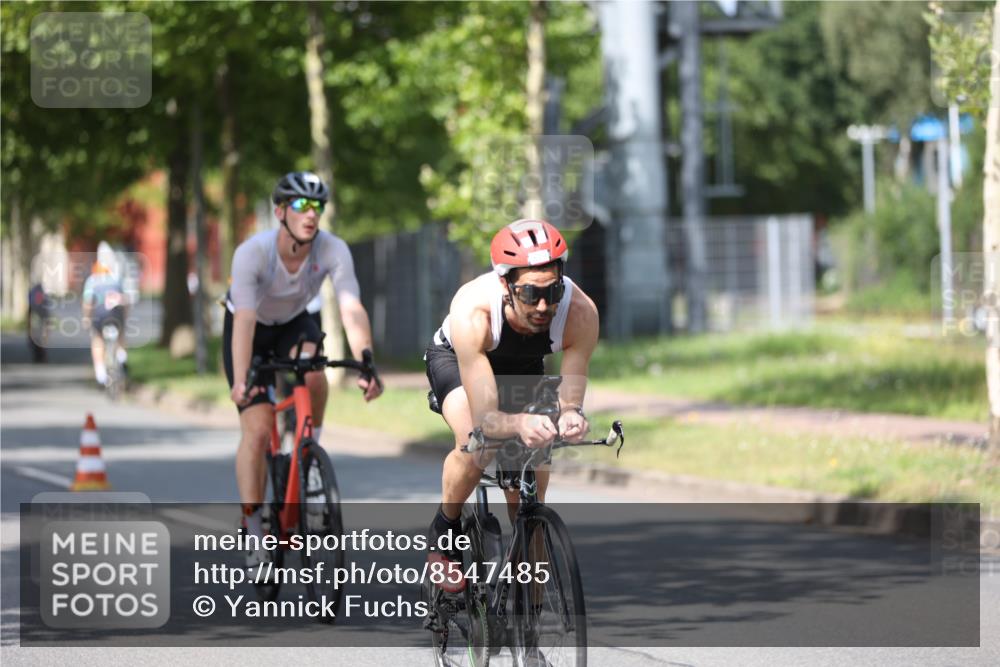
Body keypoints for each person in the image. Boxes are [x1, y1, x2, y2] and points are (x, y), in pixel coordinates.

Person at [423, 219, 600, 590]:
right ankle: (445, 530)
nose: (541, 306)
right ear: (505, 284)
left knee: (529, 491)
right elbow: (487, 419)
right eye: (528, 293)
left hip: (522, 368)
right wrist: (518, 424)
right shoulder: (473, 310)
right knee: (475, 443)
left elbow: (571, 387)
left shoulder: (581, 311)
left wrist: (570, 413)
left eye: (552, 293)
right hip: (456, 361)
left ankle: (529, 623)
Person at [224, 170, 382, 567]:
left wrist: (366, 361)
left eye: (317, 207)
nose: (311, 214)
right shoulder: (253, 253)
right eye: (301, 206)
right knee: (259, 430)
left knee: (315, 371)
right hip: (251, 329)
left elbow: (351, 306)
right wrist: (242, 379)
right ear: (280, 211)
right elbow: (243, 319)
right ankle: (253, 526)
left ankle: (309, 452)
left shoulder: (332, 249)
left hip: (294, 322)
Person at [81, 258, 128, 387]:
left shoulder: (92, 281)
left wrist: (86, 319)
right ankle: (122, 356)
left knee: (97, 338)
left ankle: (101, 375)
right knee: (121, 332)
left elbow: (88, 303)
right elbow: (125, 300)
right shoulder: (116, 279)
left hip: (100, 314)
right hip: (116, 314)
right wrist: (125, 318)